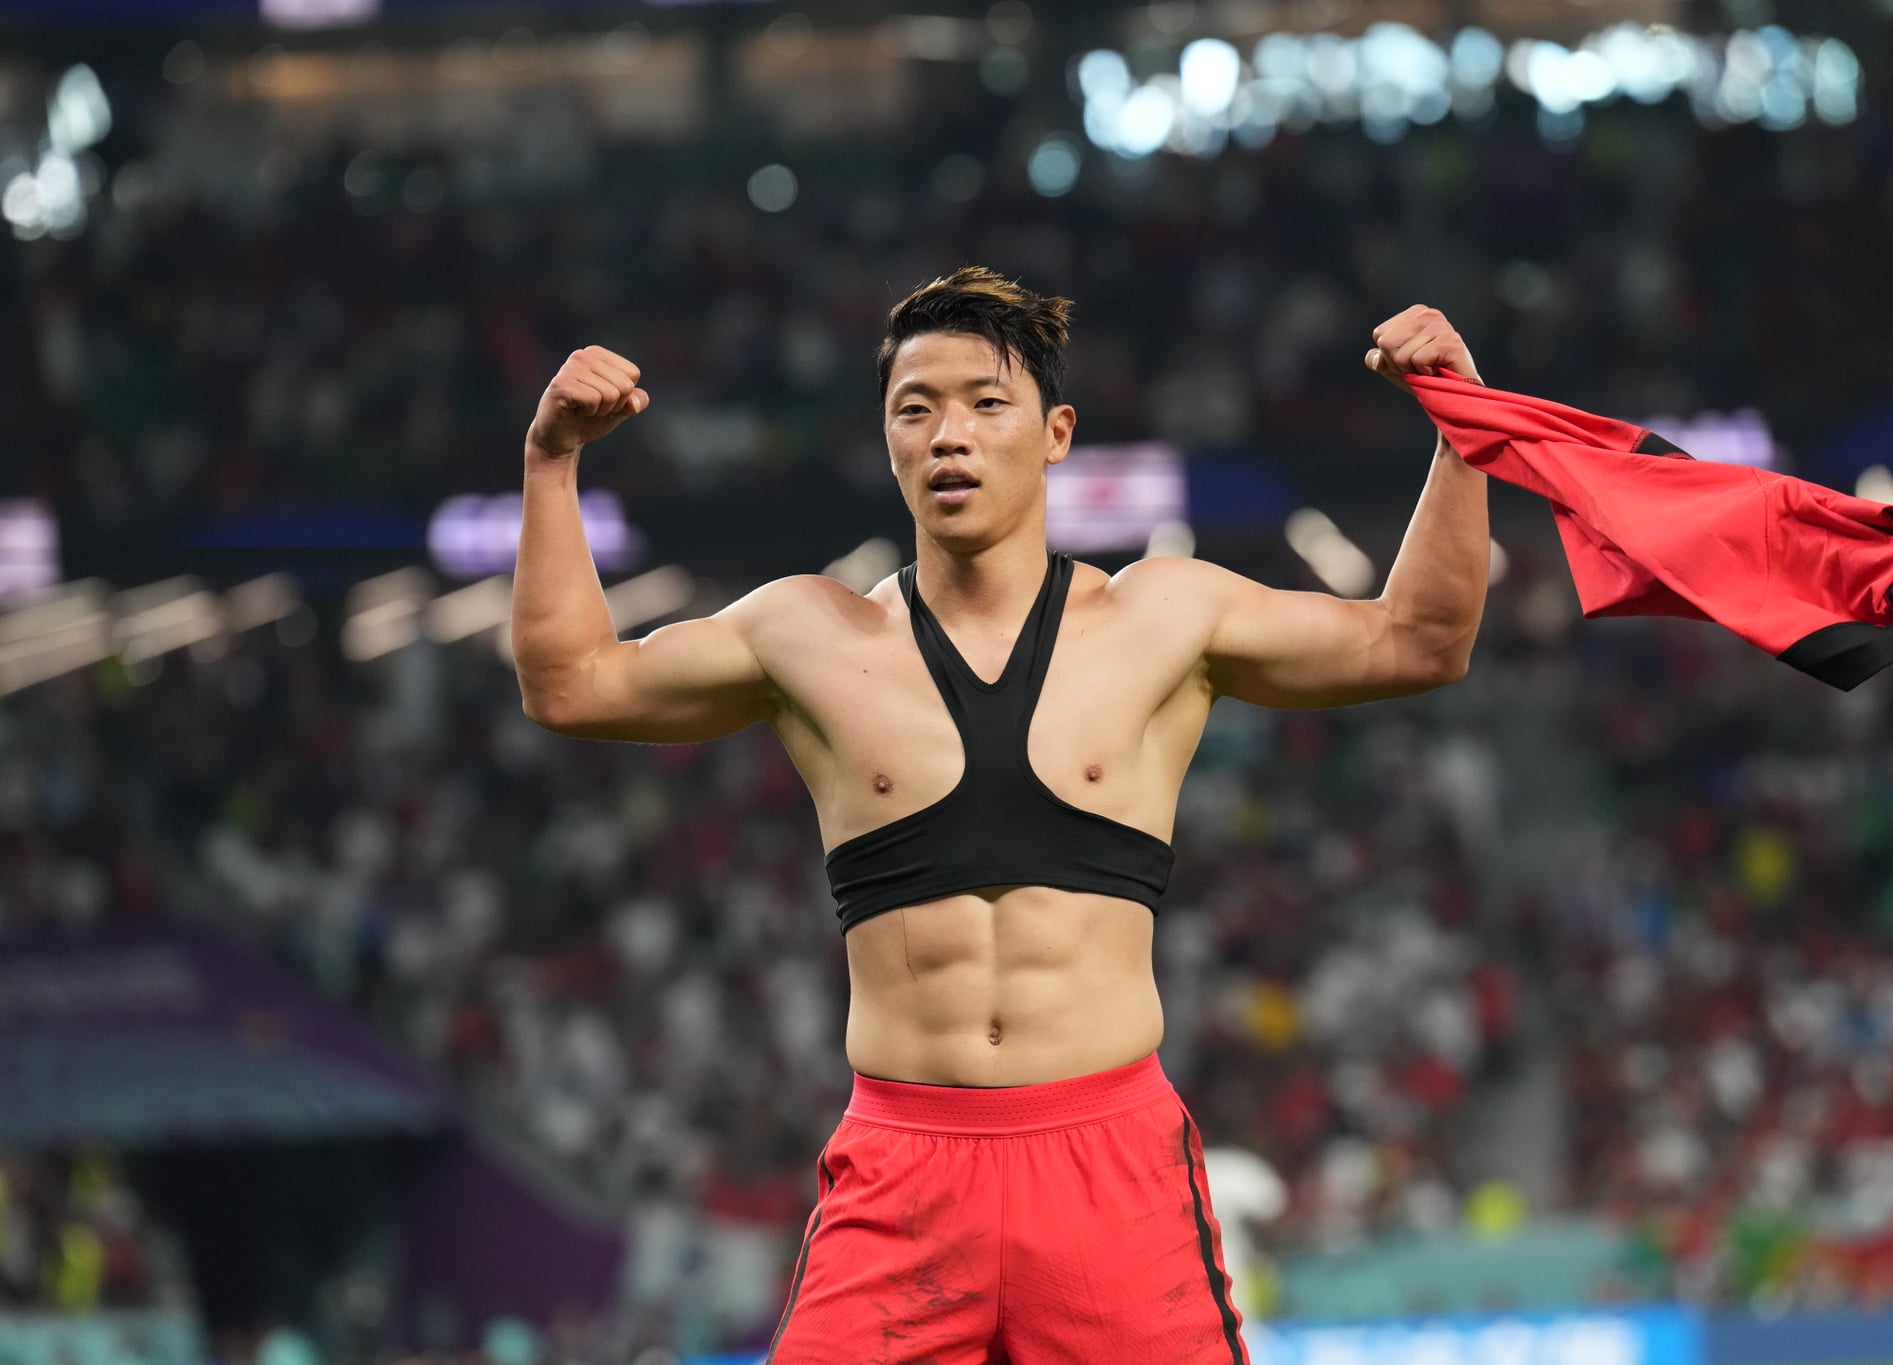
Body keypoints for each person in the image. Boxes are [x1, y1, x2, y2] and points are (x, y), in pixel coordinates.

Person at [511, 267, 1490, 1363]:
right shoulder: (806, 637)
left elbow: (1418, 639)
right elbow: (571, 684)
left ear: (1055, 432)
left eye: (984, 402)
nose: (947, 436)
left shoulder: (1165, 619)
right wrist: (551, 463)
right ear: (884, 440)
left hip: (1108, 1170)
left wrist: (1461, 427)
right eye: (913, 408)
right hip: (901, 1176)